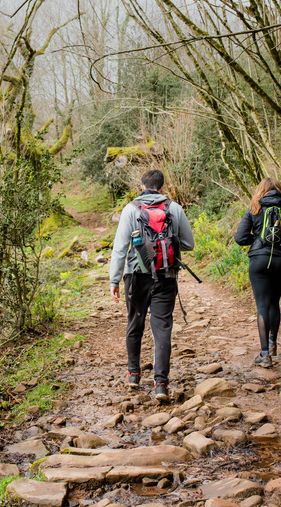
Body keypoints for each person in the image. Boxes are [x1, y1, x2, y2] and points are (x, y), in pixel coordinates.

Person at [109, 169, 195, 402]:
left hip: (136, 276)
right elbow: (188, 244)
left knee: (135, 323)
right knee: (162, 328)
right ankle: (161, 385)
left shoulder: (131, 209)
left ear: (141, 185)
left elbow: (120, 248)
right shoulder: (174, 208)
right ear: (163, 187)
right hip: (166, 276)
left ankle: (134, 374)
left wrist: (114, 280)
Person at [233, 177, 281, 368]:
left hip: (258, 261)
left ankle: (264, 355)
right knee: (274, 302)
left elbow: (239, 238)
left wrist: (257, 240)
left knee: (262, 305)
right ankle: (273, 345)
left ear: (259, 192)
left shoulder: (253, 211)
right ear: (280, 192)